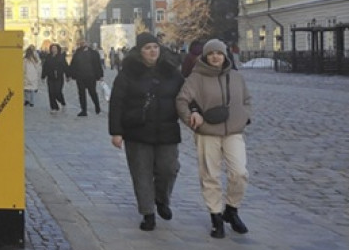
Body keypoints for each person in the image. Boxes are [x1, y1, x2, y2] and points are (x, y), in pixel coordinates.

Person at [176, 38, 252, 239]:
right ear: (205, 56)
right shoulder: (196, 77)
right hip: (207, 132)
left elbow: (247, 99)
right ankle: (216, 217)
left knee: (240, 173)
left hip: (233, 132)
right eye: (211, 54)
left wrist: (244, 117)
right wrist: (192, 118)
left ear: (225, 55)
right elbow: (182, 100)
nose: (215, 57)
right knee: (211, 175)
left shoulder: (236, 77)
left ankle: (232, 209)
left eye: (219, 53)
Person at [108, 32, 184, 231]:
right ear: (140, 52)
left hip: (167, 129)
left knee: (169, 168)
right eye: (148, 48)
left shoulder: (172, 72)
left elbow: (185, 97)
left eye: (155, 47)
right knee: (141, 173)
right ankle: (148, 213)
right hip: (137, 130)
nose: (152, 51)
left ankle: (161, 199)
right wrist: (116, 132)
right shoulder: (128, 73)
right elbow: (117, 103)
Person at [67, 38, 104, 116]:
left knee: (92, 92)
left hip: (91, 76)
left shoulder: (94, 53)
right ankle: (83, 110)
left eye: (84, 42)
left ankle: (97, 107)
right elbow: (73, 64)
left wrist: (100, 75)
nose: (83, 44)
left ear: (88, 43)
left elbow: (98, 65)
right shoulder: (77, 53)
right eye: (81, 42)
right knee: (81, 94)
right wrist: (69, 74)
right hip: (80, 76)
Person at [41, 43, 67, 114]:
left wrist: (68, 75)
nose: (54, 49)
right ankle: (54, 107)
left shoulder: (61, 57)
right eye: (52, 48)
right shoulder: (48, 57)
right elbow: (45, 67)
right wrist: (43, 76)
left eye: (55, 48)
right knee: (51, 92)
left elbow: (65, 66)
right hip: (50, 77)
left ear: (58, 49)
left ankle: (62, 102)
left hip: (59, 77)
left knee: (58, 91)